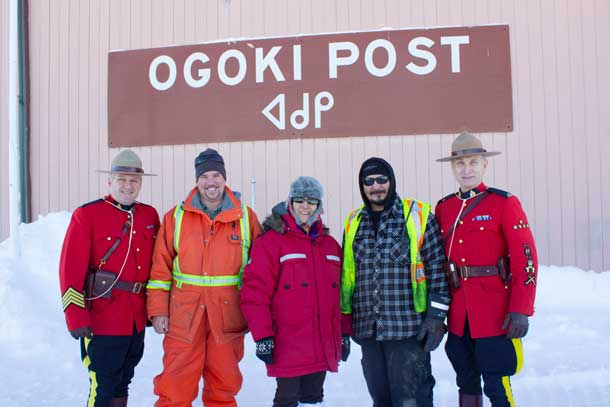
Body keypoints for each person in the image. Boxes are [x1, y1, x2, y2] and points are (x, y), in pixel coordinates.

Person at [146, 148, 262, 407]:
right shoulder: (176, 217)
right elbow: (160, 269)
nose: (211, 182)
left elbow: (260, 273)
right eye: (205, 176)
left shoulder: (245, 217)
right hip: (183, 316)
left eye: (216, 175)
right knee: (175, 387)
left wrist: (259, 314)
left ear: (224, 177)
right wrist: (158, 311)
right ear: (197, 180)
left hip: (228, 316)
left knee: (223, 386)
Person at [435, 132, 538, 407]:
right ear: (452, 167)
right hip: (459, 314)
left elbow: (526, 258)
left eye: (473, 162)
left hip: (494, 311)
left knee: (496, 381)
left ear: (484, 165)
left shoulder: (503, 203)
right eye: (460, 164)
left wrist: (521, 309)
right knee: (466, 380)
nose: (466, 169)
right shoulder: (445, 208)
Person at [340, 157, 450, 407]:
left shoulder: (418, 216)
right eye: (369, 181)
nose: (376, 186)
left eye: (382, 179)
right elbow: (346, 277)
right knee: (381, 400)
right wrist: (344, 326)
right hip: (368, 330)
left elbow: (437, 272)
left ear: (391, 180)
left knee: (412, 400)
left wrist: (436, 318)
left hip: (408, 330)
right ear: (362, 186)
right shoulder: (352, 222)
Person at [59, 149, 160, 407]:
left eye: (134, 180)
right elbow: (70, 270)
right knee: (103, 385)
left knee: (123, 381)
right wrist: (75, 314)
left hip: (135, 319)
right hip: (102, 318)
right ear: (110, 181)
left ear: (141, 184)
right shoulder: (87, 215)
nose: (128, 185)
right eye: (122, 179)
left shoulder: (149, 216)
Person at [240, 176, 350, 407]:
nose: (305, 205)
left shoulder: (330, 246)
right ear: (290, 202)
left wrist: (344, 332)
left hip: (322, 342)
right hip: (288, 343)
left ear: (319, 206)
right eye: (299, 200)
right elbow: (254, 293)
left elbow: (343, 294)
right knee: (287, 399)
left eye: (312, 201)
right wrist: (263, 336)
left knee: (313, 398)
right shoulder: (271, 242)